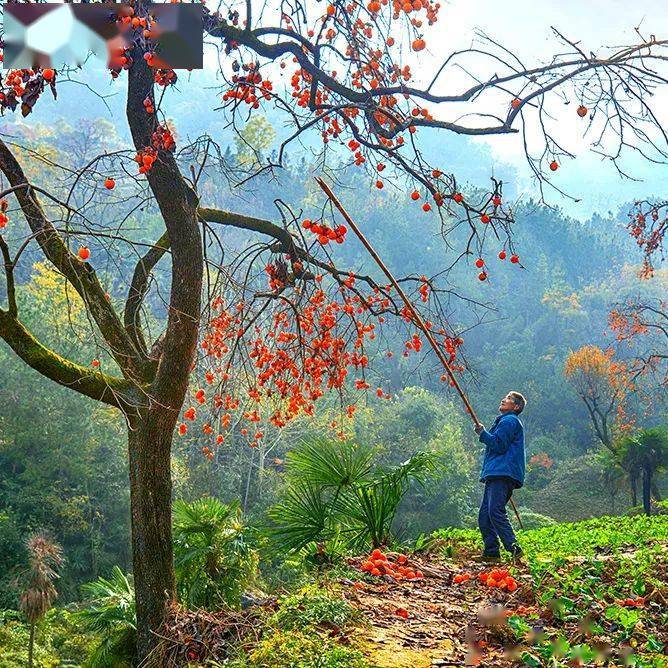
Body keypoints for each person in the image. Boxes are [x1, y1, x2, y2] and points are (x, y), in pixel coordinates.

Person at [474, 391, 526, 562]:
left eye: (509, 399)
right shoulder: (505, 421)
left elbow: (499, 444)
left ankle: (514, 548)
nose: (503, 399)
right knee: (485, 515)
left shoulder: (509, 421)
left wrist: (483, 434)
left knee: (495, 511)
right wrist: (485, 434)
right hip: (498, 472)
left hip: (502, 472)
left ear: (516, 406)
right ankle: (491, 553)